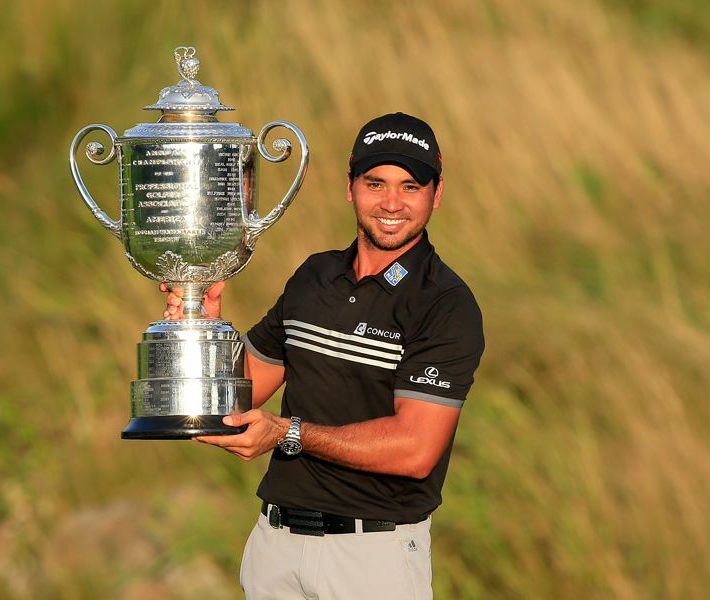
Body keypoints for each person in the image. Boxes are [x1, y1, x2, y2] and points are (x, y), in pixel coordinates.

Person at [161, 112, 485, 600]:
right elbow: (236, 394)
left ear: (435, 194)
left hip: (373, 556)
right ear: (350, 188)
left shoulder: (444, 303)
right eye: (375, 183)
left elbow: (416, 449)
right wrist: (201, 324)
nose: (391, 203)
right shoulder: (314, 277)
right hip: (276, 546)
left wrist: (288, 433)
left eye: (410, 186)